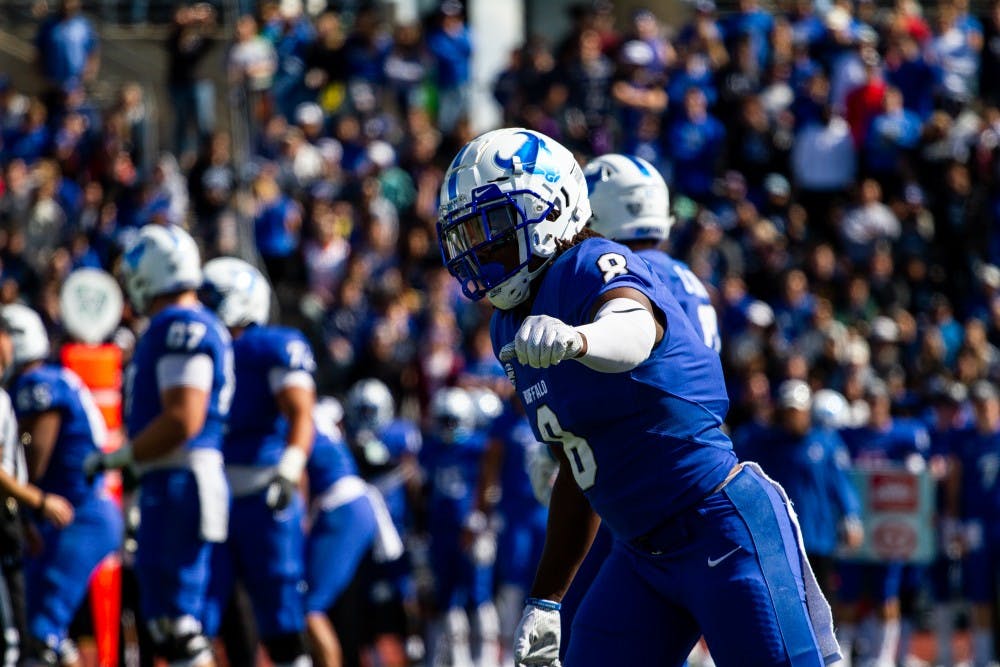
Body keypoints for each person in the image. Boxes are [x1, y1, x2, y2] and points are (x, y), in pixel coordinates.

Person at [436, 127, 839, 665]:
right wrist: (547, 598)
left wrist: (581, 339)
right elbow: (579, 473)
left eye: (495, 229)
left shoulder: (585, 263)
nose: (482, 251)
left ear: (550, 210)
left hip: (719, 523)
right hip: (639, 556)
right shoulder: (507, 327)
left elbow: (633, 325)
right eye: (470, 236)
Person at [85, 224, 233, 667]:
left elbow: (183, 417)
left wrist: (120, 457)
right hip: (172, 479)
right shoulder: (180, 323)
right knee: (167, 626)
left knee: (179, 627)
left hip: (181, 480)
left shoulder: (180, 324)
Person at [199, 257, 314, 667]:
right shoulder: (202, 350)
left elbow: (301, 412)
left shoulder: (269, 345)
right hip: (214, 494)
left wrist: (291, 465)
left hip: (265, 495)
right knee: (202, 617)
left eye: (209, 299)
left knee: (280, 617)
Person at [0, 303, 121, 666]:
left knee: (38, 633)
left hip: (73, 515)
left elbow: (33, 460)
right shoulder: (54, 377)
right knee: (48, 635)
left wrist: (29, 504)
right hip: (77, 513)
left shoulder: (38, 385)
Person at [737, 380, 864, 598]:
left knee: (822, 600)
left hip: (819, 537)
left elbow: (841, 484)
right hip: (781, 540)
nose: (792, 418)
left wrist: (851, 518)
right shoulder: (769, 444)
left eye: (796, 411)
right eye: (787, 412)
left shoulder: (825, 443)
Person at [0, 310, 72, 667]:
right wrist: (37, 502)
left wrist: (30, 508)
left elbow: (25, 450)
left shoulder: (27, 388)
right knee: (19, 638)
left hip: (21, 516)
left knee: (28, 634)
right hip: (18, 514)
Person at [947, 380, 1000, 666]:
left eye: (987, 404)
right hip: (977, 524)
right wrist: (956, 521)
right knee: (979, 589)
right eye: (978, 405)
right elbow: (955, 482)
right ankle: (983, 654)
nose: (983, 411)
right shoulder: (965, 439)